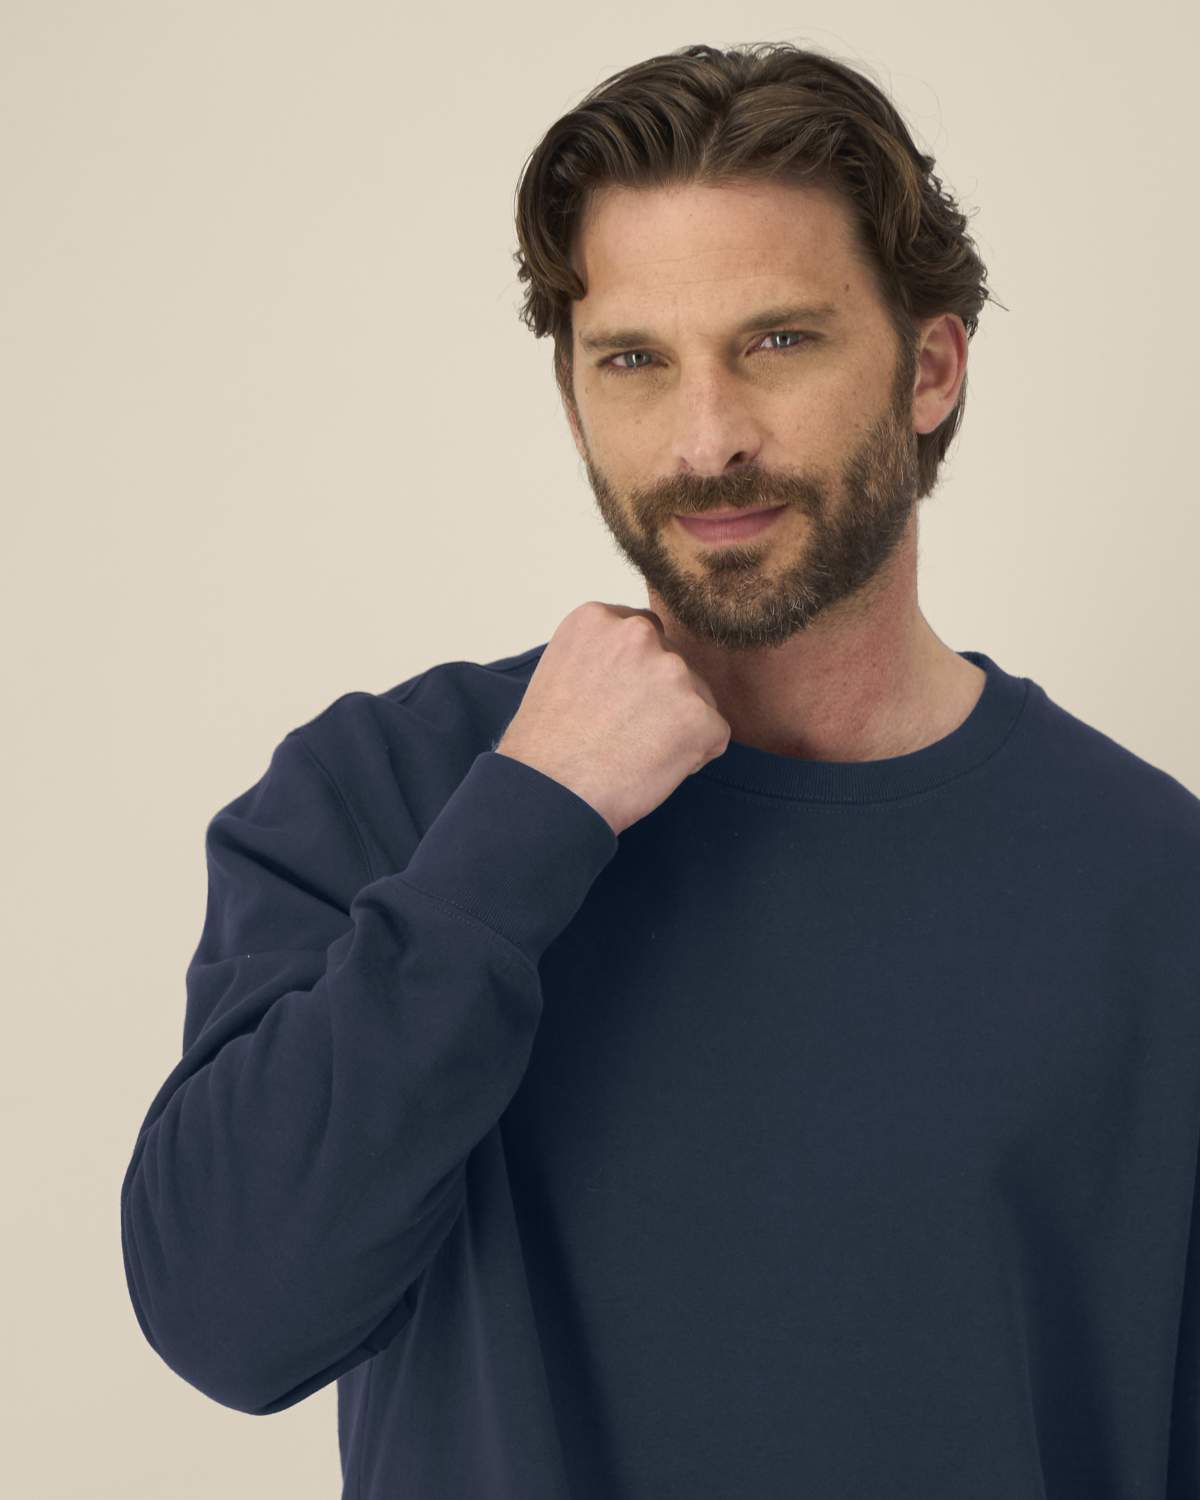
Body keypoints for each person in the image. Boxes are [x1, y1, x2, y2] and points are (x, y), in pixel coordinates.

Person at [120, 41, 1200, 1498]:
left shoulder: (1153, 887)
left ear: (931, 369)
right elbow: (228, 1322)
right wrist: (528, 822)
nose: (708, 440)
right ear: (575, 398)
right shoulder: (391, 797)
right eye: (634, 360)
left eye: (779, 342)